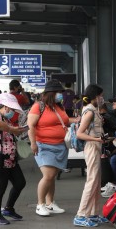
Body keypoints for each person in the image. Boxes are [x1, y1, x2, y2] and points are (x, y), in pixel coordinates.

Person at [27, 79, 77, 217]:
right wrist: (33, 143)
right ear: (50, 93)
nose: (60, 95)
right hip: (43, 145)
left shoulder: (58, 106)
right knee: (48, 175)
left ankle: (50, 203)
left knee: (52, 176)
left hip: (60, 145)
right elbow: (31, 125)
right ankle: (40, 204)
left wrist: (79, 120)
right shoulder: (38, 106)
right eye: (58, 92)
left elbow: (66, 121)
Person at [73, 84, 109, 227]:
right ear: (95, 96)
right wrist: (96, 139)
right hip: (92, 147)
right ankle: (81, 215)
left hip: (96, 147)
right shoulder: (90, 112)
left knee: (96, 181)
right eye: (100, 95)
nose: (102, 98)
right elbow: (80, 133)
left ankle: (93, 213)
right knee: (92, 181)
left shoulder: (93, 110)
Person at [0, 93, 27, 225]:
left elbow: (9, 130)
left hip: (11, 157)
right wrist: (12, 129)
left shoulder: (7, 119)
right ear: (5, 106)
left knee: (20, 182)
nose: (12, 112)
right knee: (0, 187)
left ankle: (9, 208)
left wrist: (17, 130)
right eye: (11, 108)